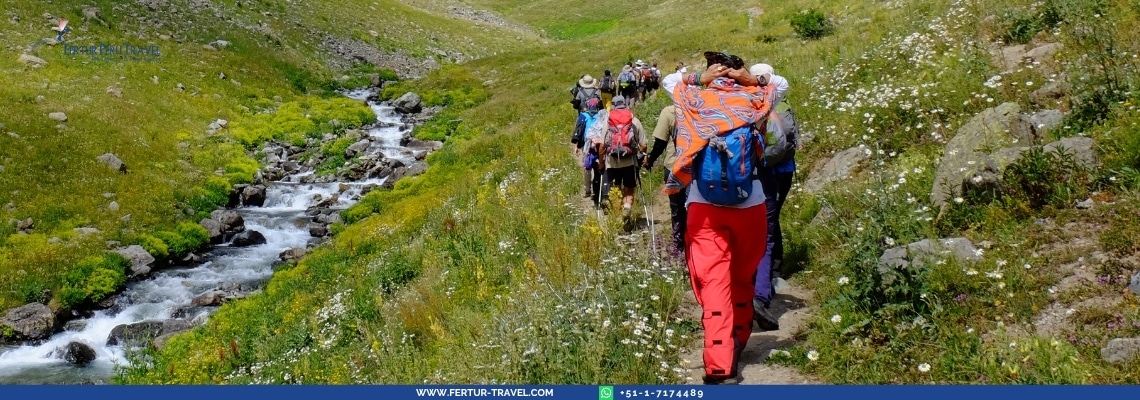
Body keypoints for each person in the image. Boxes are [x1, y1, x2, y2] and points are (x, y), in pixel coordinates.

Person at [666, 52, 773, 385]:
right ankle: (738, 338)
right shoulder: (756, 98)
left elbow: (672, 81)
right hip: (751, 204)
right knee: (742, 278)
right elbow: (778, 82)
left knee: (714, 284)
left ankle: (719, 364)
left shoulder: (694, 97)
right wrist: (749, 79)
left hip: (704, 205)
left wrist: (701, 78)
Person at [749, 64, 796, 329]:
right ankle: (762, 292)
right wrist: (758, 79)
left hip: (743, 178)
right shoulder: (775, 99)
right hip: (775, 170)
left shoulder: (735, 103)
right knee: (767, 234)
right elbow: (782, 81)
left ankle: (739, 297)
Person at [643, 67, 687, 255]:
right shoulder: (699, 108)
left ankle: (679, 242)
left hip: (674, 165)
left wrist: (650, 160)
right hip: (698, 166)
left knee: (677, 207)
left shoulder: (669, 112)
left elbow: (660, 142)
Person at [588, 95, 647, 218]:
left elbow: (602, 146)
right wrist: (639, 157)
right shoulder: (633, 120)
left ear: (613, 105)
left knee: (616, 188)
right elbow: (644, 145)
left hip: (612, 162)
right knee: (629, 189)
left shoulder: (608, 121)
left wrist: (601, 163)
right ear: (625, 104)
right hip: (630, 161)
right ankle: (627, 208)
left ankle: (618, 215)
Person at [572, 75, 603, 199]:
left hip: (586, 139)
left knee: (587, 166)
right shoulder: (597, 92)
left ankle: (587, 189)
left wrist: (577, 145)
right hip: (598, 140)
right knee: (598, 165)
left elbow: (575, 105)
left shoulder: (580, 93)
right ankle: (599, 187)